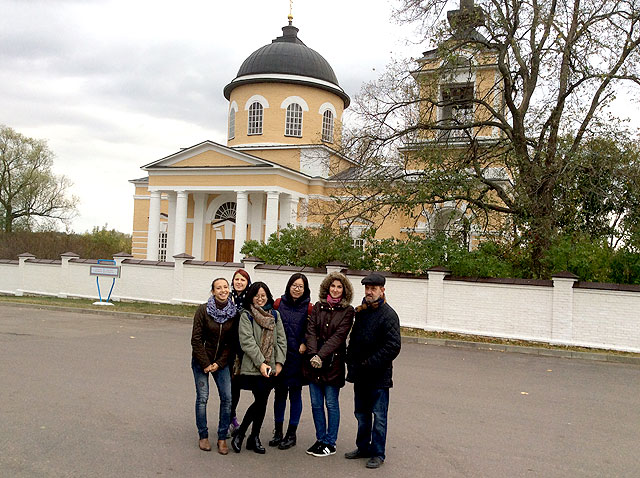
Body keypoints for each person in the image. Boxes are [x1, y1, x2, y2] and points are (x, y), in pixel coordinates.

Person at [344, 272, 401, 469]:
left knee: (379, 416)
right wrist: (349, 361)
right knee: (361, 414)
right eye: (367, 288)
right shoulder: (361, 312)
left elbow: (393, 346)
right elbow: (354, 340)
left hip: (378, 377)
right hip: (360, 375)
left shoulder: (389, 315)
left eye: (373, 289)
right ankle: (363, 447)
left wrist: (370, 363)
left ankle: (378, 453)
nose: (369, 292)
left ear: (382, 290)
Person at [231, 281, 287, 454]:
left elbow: (281, 341)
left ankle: (251, 437)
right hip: (252, 366)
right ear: (251, 297)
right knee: (261, 401)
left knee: (262, 401)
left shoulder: (275, 315)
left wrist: (279, 363)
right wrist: (261, 363)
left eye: (263, 296)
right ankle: (243, 434)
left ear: (268, 297)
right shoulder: (246, 315)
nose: (260, 299)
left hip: (270, 367)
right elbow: (247, 342)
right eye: (257, 296)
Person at [304, 272, 355, 457]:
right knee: (316, 404)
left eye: (339, 287)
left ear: (344, 290)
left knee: (331, 404)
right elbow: (310, 331)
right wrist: (312, 354)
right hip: (313, 363)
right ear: (327, 287)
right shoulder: (318, 307)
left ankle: (330, 443)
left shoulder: (348, 311)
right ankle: (320, 439)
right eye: (332, 286)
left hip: (333, 364)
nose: (335, 290)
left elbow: (339, 337)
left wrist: (321, 356)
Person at [190, 277, 240, 455]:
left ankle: (221, 438)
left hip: (221, 362)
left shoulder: (233, 313)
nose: (223, 290)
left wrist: (218, 364)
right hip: (201, 361)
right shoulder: (203, 310)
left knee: (227, 398)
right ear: (213, 291)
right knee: (203, 397)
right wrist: (205, 363)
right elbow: (196, 340)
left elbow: (231, 343)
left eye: (225, 287)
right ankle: (203, 436)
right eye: (218, 288)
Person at [268, 273, 312, 450]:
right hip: (280, 357)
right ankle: (278, 431)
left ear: (305, 289)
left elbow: (312, 330)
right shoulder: (279, 304)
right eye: (294, 285)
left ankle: (291, 433)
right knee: (279, 394)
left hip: (297, 358)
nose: (297, 288)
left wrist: (305, 342)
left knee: (295, 395)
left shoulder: (309, 308)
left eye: (300, 286)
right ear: (289, 286)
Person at [228, 269, 251, 435]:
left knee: (236, 386)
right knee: (227, 387)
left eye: (243, 280)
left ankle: (232, 416)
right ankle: (228, 418)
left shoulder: (250, 301)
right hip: (227, 349)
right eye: (237, 279)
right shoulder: (227, 299)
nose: (239, 282)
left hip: (242, 351)